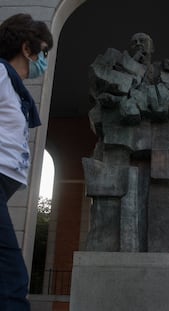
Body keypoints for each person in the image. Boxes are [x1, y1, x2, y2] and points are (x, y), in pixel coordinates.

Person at [0, 13, 53, 310]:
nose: (44, 60)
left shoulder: (13, 87)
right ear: (27, 48)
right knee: (11, 280)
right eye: (43, 52)